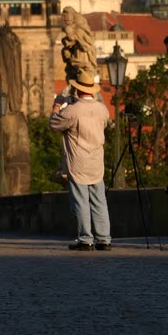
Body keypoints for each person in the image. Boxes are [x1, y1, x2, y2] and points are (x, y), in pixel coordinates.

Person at [49, 69, 112, 251]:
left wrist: (56, 106)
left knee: (81, 201)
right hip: (96, 160)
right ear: (92, 89)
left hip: (78, 161)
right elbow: (104, 123)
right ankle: (104, 238)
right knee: (99, 200)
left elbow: (53, 124)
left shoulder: (72, 111)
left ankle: (86, 239)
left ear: (77, 90)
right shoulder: (102, 109)